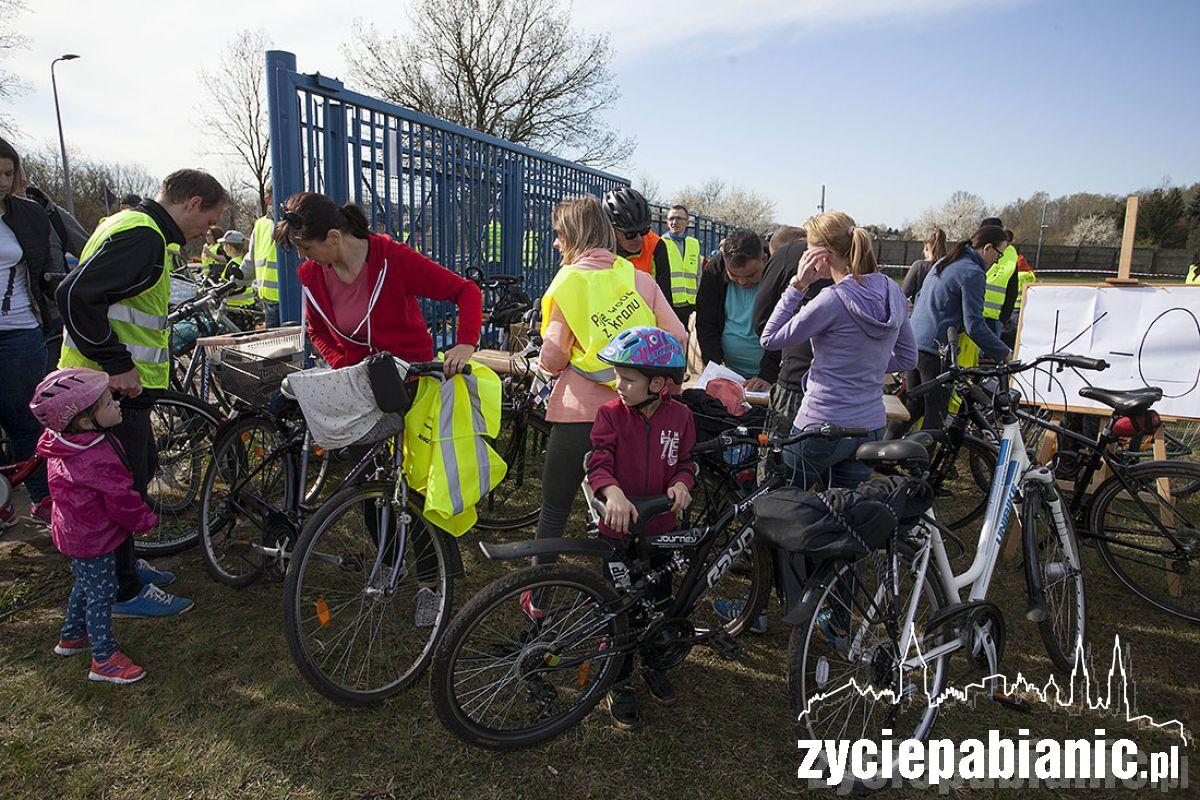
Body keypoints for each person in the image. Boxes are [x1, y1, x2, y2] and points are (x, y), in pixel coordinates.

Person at [57, 168, 226, 617]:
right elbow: (74, 294)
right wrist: (118, 364)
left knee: (134, 475)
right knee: (119, 488)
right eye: (209, 220)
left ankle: (124, 568)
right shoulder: (144, 236)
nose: (207, 231)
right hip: (106, 390)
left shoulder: (130, 224)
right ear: (192, 202)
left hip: (112, 386)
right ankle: (124, 592)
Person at [533, 196, 688, 584]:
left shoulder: (567, 281)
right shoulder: (637, 278)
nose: (555, 243)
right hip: (636, 415)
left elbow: (553, 352)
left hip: (579, 414)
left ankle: (537, 602)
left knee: (553, 511)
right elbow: (679, 335)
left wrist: (547, 366)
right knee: (634, 510)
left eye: (557, 235)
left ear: (573, 235)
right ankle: (637, 592)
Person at [31, 368, 177, 684]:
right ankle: (104, 658)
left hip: (77, 534)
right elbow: (121, 500)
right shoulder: (97, 456)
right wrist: (145, 521)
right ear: (85, 421)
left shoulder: (66, 444)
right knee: (103, 593)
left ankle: (71, 636)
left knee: (86, 583)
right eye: (109, 404)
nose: (117, 406)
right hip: (94, 538)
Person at [585, 326, 696, 730]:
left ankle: (653, 663)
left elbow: (685, 461)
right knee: (618, 609)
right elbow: (598, 461)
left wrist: (683, 481)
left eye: (628, 379)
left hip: (661, 533)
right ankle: (619, 680)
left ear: (660, 384)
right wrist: (611, 493)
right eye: (617, 375)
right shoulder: (609, 414)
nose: (619, 385)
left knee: (657, 604)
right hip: (617, 534)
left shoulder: (681, 416)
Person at [761, 211, 916, 491]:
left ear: (824, 255)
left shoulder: (831, 300)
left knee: (781, 500)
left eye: (808, 250)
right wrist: (866, 367)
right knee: (844, 513)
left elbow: (770, 338)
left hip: (821, 423)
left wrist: (798, 285)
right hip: (869, 425)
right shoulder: (893, 291)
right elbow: (907, 357)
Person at [279, 192, 482, 374]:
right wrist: (341, 364)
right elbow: (317, 330)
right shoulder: (311, 275)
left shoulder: (393, 259)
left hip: (411, 378)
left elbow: (466, 291)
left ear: (333, 237)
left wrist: (466, 343)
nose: (301, 255)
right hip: (358, 384)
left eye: (306, 247)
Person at [908, 225, 1012, 430]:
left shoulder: (945, 262)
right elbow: (975, 325)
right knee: (935, 417)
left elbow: (920, 299)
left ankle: (882, 457)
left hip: (914, 343)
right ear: (988, 248)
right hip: (935, 350)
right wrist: (1004, 353)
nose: (997, 261)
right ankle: (922, 462)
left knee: (915, 407)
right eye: (998, 255)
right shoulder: (973, 273)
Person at [0, 136, 55, 526]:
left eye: (8, 172)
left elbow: (45, 270)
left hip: (20, 329)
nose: (2, 181)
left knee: (26, 420)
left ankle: (41, 499)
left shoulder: (28, 214)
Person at [753, 225, 831, 449]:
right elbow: (905, 357)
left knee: (778, 463)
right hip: (856, 397)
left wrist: (795, 288)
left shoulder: (789, 255)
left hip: (797, 380)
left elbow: (764, 325)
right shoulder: (872, 278)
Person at [696, 229, 771, 392]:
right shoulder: (714, 270)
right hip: (729, 374)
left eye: (751, 275)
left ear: (764, 259)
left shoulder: (778, 272)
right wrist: (714, 368)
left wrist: (768, 375)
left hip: (769, 378)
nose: (742, 282)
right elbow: (706, 323)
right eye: (734, 275)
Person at [602, 187, 674, 307]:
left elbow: (664, 298)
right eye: (630, 234)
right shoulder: (598, 250)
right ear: (611, 230)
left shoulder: (656, 245)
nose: (639, 238)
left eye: (644, 231)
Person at [661, 204, 703, 327]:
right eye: (671, 218)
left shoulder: (694, 244)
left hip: (691, 304)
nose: (674, 222)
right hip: (670, 305)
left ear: (687, 222)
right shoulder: (661, 243)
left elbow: (698, 274)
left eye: (679, 218)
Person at [245, 186, 281, 328]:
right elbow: (251, 258)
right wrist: (235, 280)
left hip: (295, 299)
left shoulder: (297, 222)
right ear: (268, 200)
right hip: (270, 301)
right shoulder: (260, 225)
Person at [901, 227, 948, 303]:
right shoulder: (951, 267)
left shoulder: (919, 266)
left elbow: (903, 294)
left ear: (926, 246)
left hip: (920, 311)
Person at [216, 230, 256, 308]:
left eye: (223, 245)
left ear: (229, 246)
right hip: (249, 303)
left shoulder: (233, 264)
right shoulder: (245, 261)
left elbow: (233, 286)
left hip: (235, 305)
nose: (223, 248)